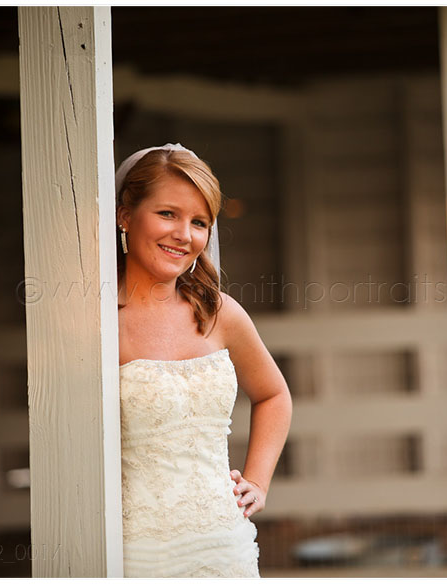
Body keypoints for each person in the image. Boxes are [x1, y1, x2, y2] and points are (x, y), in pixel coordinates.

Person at [115, 144, 292, 577]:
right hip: (138, 553)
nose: (184, 234)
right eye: (167, 214)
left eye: (199, 222)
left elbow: (273, 395)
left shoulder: (219, 313)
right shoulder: (97, 324)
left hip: (226, 550)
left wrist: (258, 482)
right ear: (125, 216)